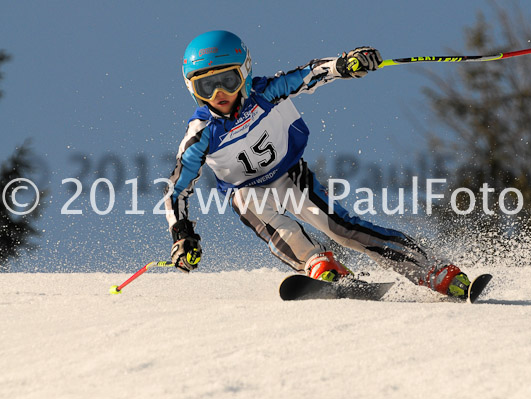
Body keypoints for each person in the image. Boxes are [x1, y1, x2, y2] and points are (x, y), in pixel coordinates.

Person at [165, 30, 471, 299]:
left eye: (228, 81)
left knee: (342, 229)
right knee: (251, 205)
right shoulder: (201, 135)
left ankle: (432, 270)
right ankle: (317, 263)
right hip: (246, 190)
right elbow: (176, 191)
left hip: (290, 176)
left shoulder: (264, 94)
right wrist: (182, 235)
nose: (220, 95)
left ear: (244, 73)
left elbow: (309, 75)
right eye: (208, 87)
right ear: (193, 89)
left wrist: (343, 65)